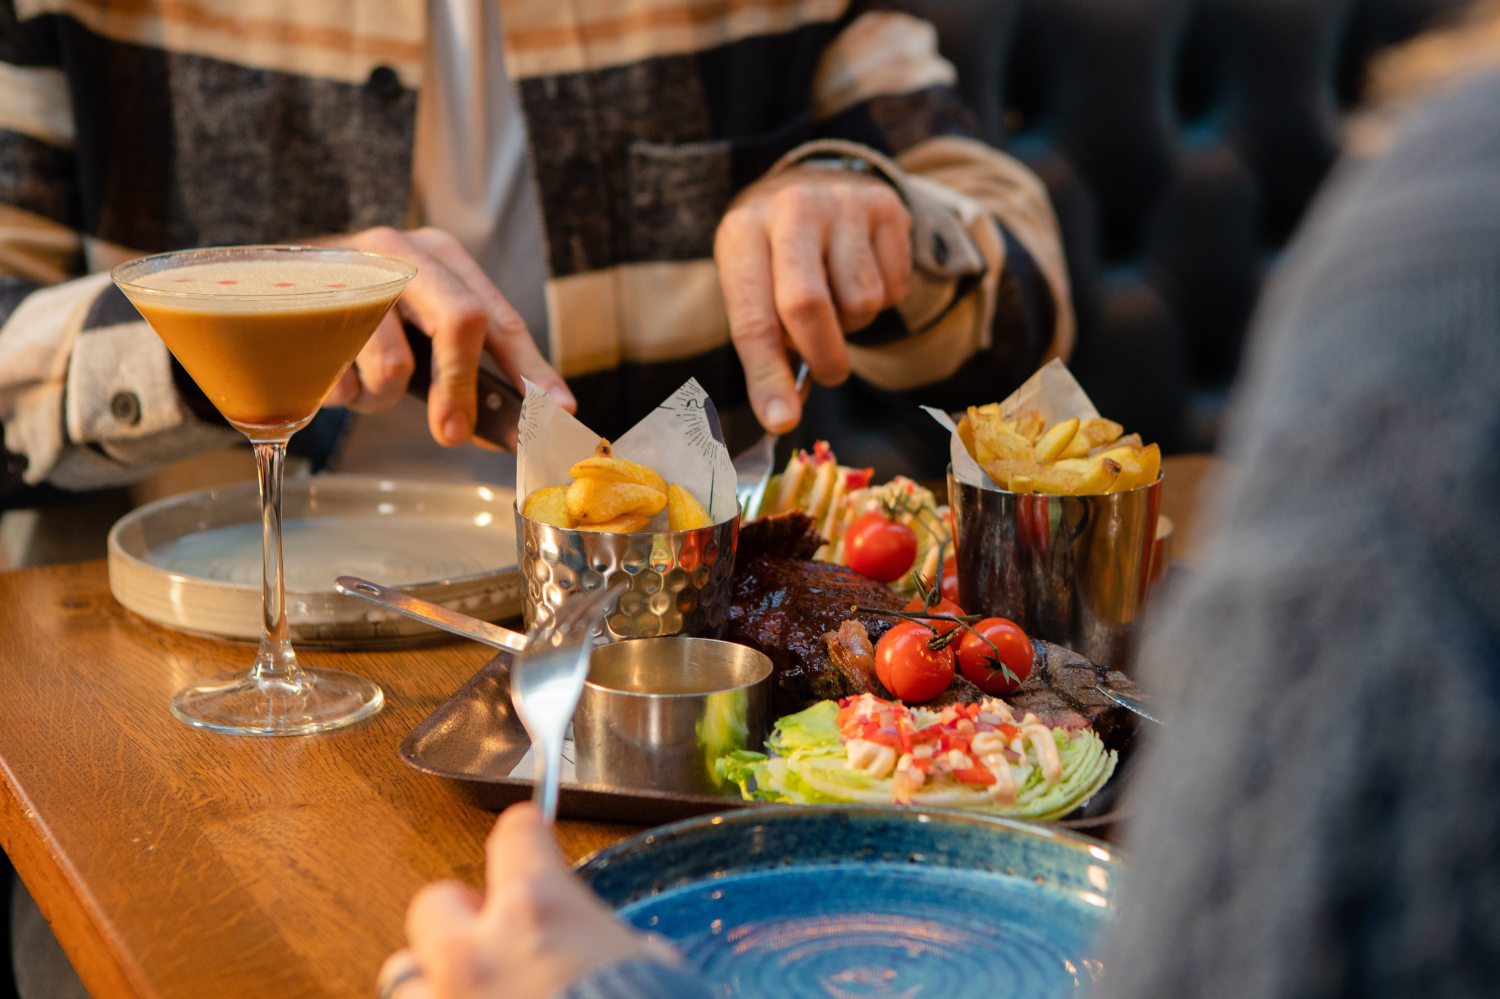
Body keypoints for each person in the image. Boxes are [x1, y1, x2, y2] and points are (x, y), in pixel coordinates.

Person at [378, 57, 1500, 999]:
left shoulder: (1439, 245)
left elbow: (1021, 260)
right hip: (348, 598)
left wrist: (888, 205)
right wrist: (274, 291)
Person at [0, 0, 1071, 502]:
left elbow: (1022, 273)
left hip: (679, 667)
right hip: (196, 671)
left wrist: (873, 215)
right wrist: (242, 316)